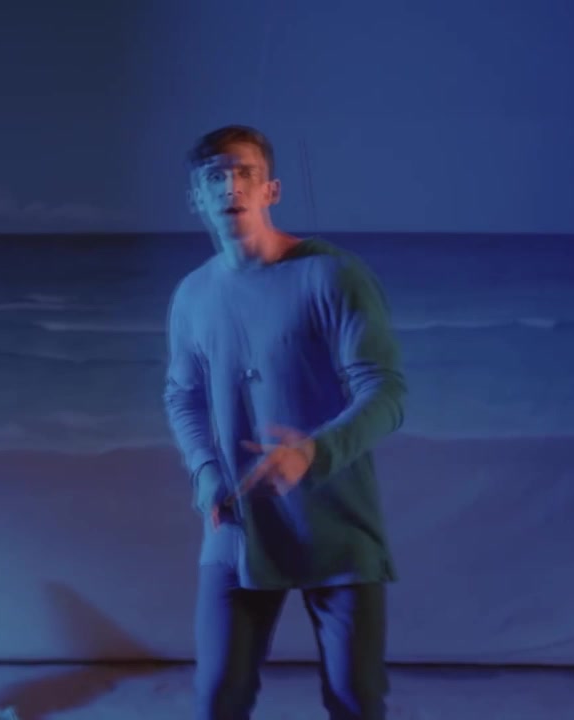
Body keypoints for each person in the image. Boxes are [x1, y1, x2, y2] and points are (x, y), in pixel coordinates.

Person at [162, 124, 407, 720]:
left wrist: (313, 452)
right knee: (218, 699)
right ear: (196, 198)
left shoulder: (333, 274)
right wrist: (204, 470)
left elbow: (386, 392)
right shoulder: (193, 294)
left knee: (354, 699)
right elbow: (182, 395)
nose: (231, 186)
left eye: (244, 172)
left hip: (336, 522)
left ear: (270, 189)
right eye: (215, 176)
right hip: (238, 523)